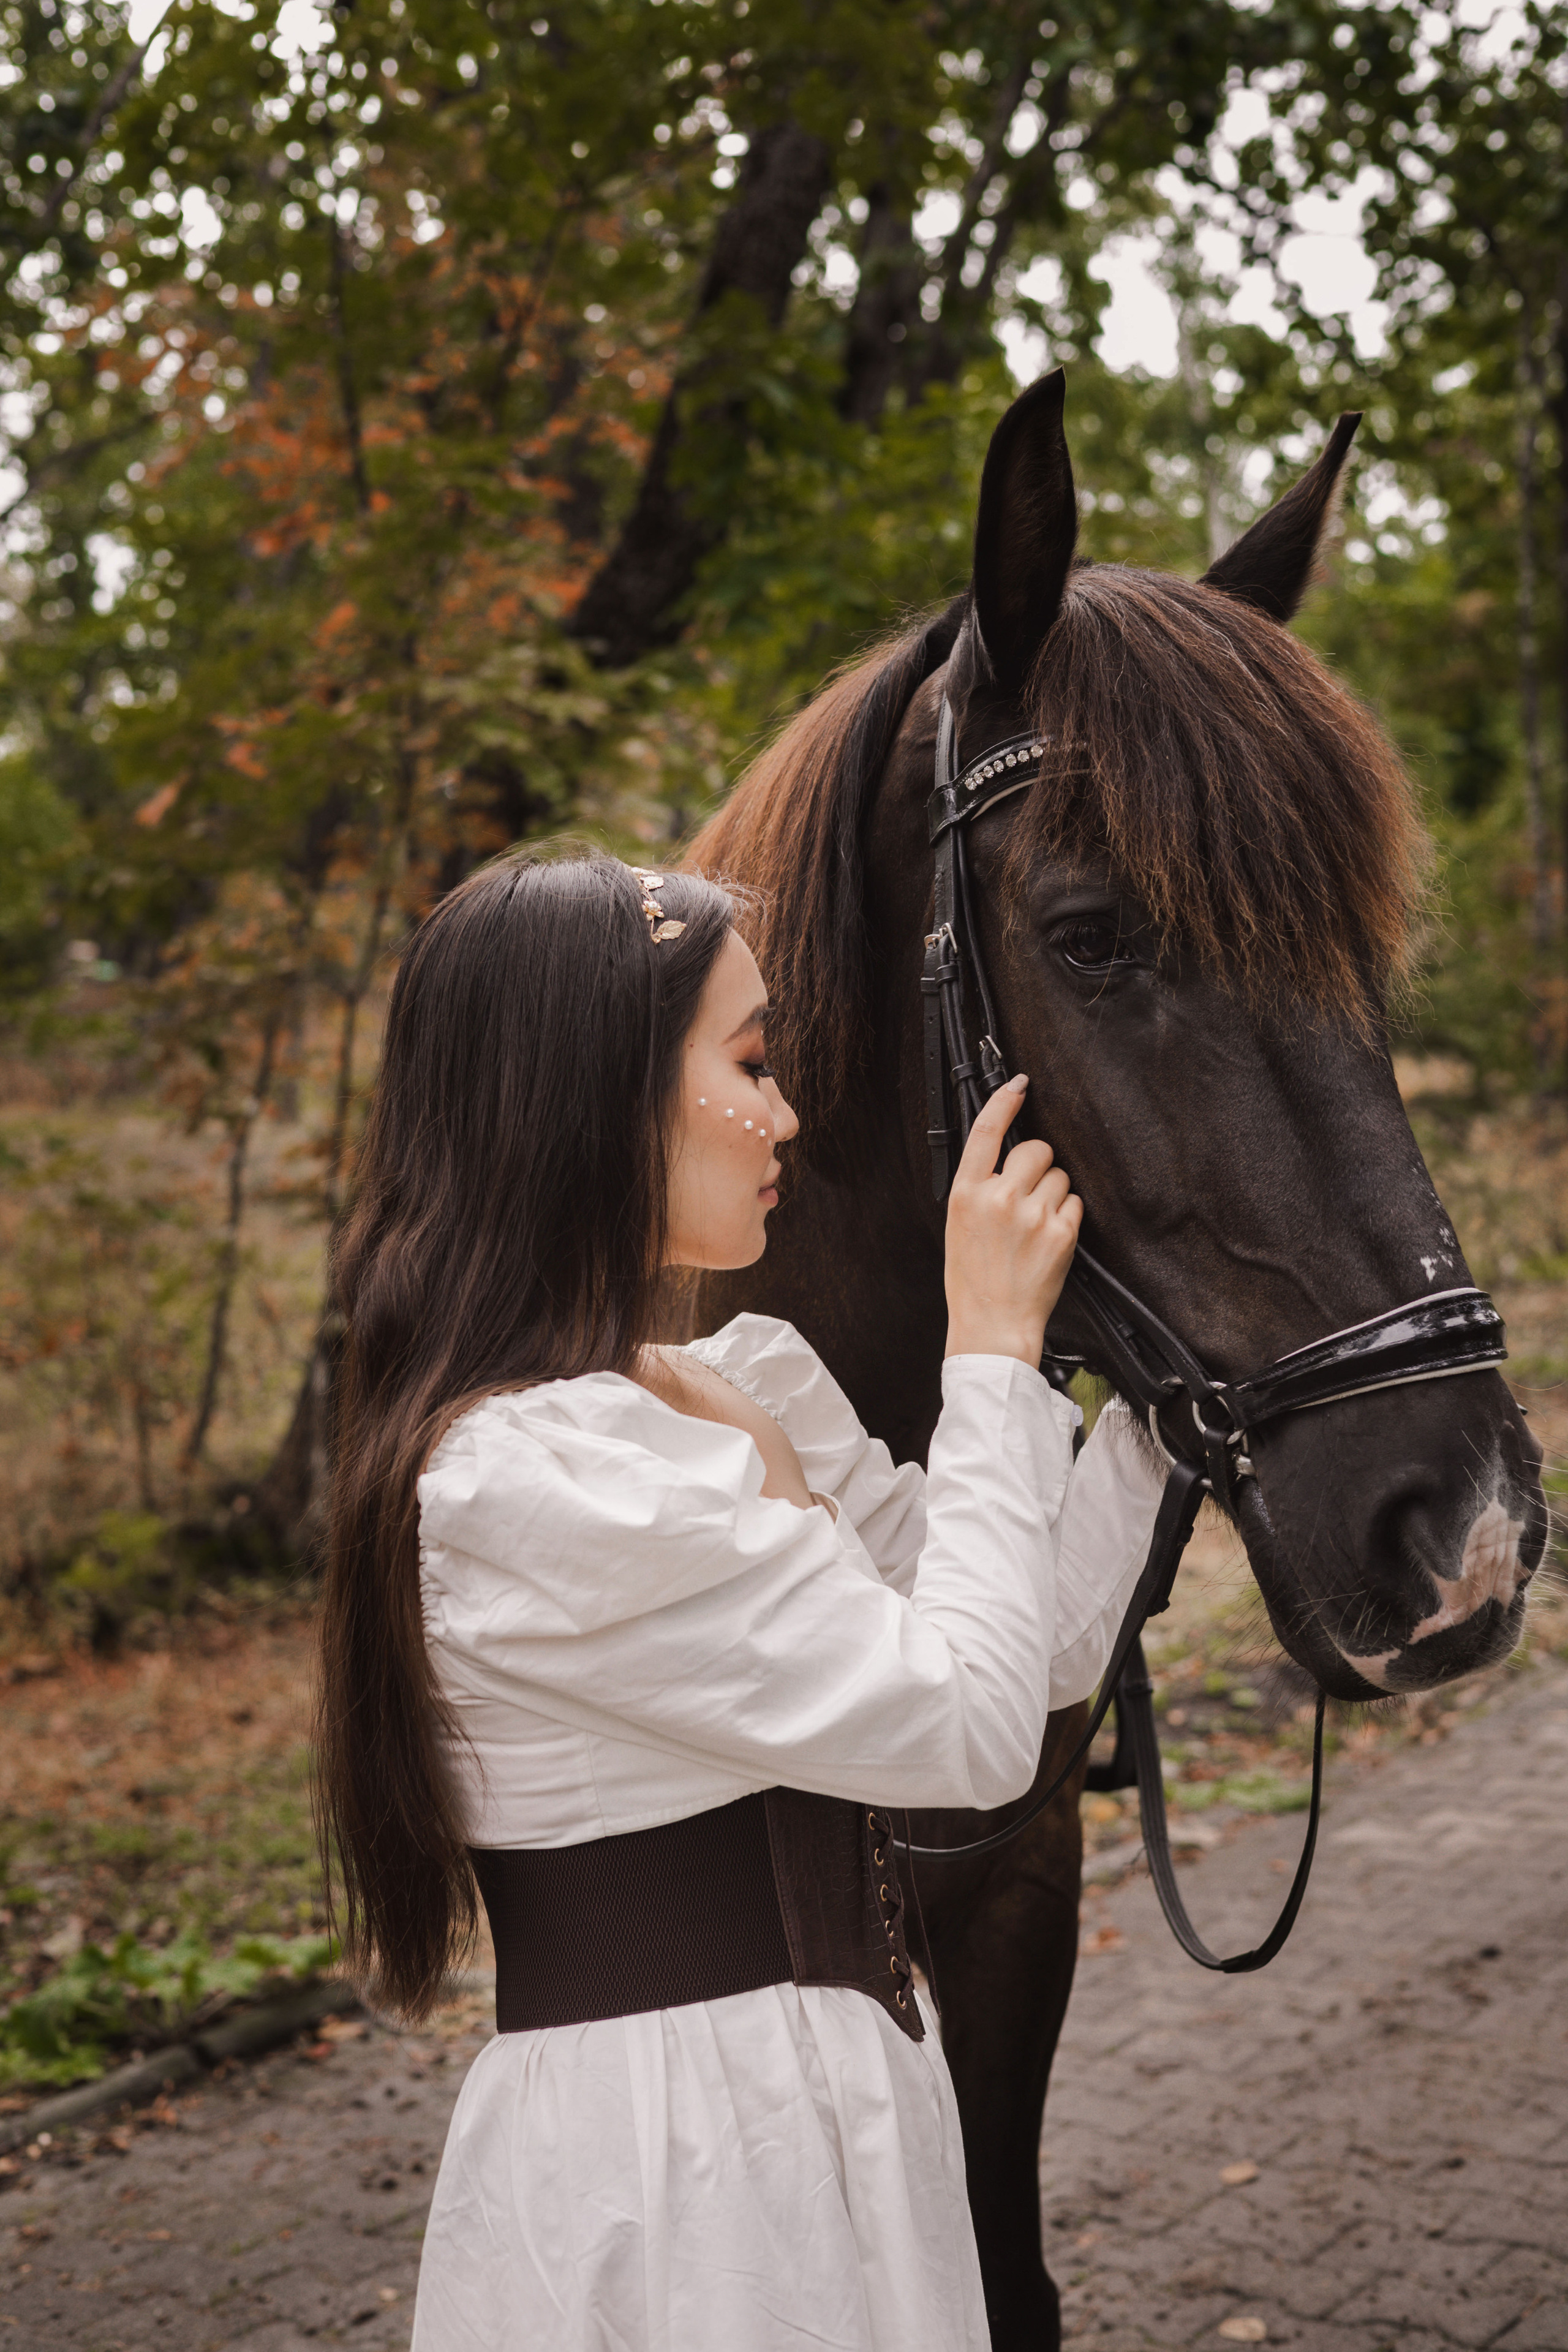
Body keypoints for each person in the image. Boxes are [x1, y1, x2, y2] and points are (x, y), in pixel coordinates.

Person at [316, 848, 1166, 2352]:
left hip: (830, 2104)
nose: (783, 1116)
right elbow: (965, 1737)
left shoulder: (724, 1386)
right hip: (681, 2163)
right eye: (751, 1064)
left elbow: (1023, 1656)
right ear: (590, 1097)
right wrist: (986, 1349)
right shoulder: (535, 1482)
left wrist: (1177, 1396)